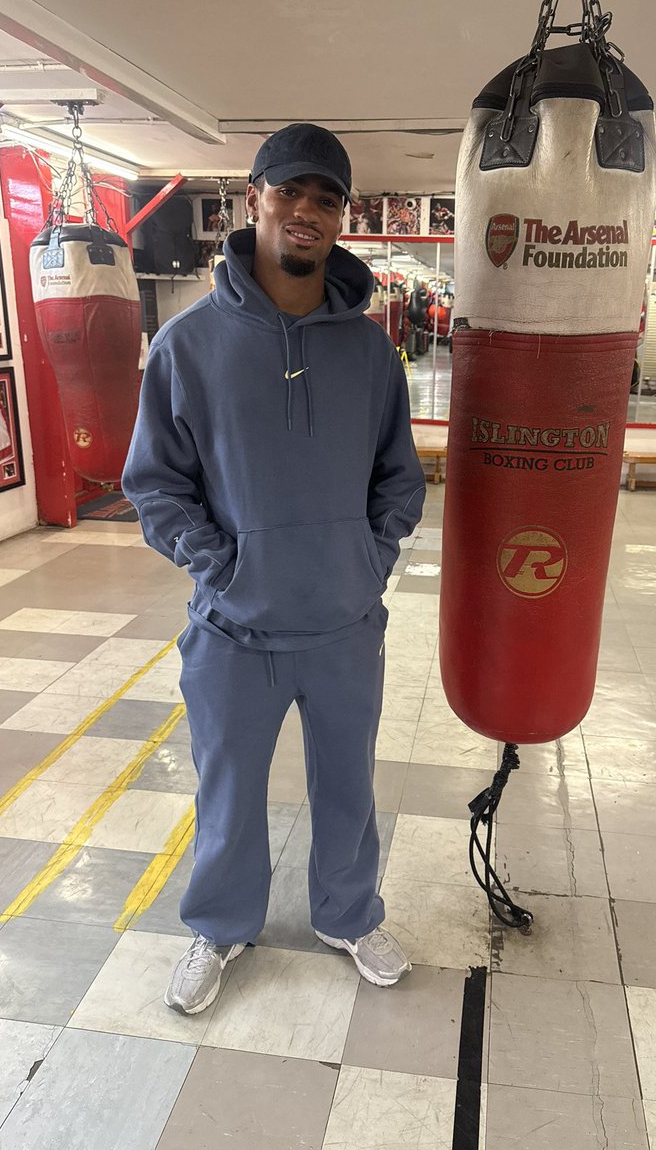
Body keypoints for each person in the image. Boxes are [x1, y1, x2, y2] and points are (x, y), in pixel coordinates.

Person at [122, 123, 426, 1015]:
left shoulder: (370, 352)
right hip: (233, 631)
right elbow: (156, 486)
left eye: (326, 198)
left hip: (342, 627)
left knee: (349, 787)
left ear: (341, 219)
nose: (306, 211)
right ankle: (220, 926)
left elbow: (398, 477)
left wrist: (365, 560)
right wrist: (220, 569)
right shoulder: (188, 346)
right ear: (251, 198)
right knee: (226, 788)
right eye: (290, 191)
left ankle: (347, 913)